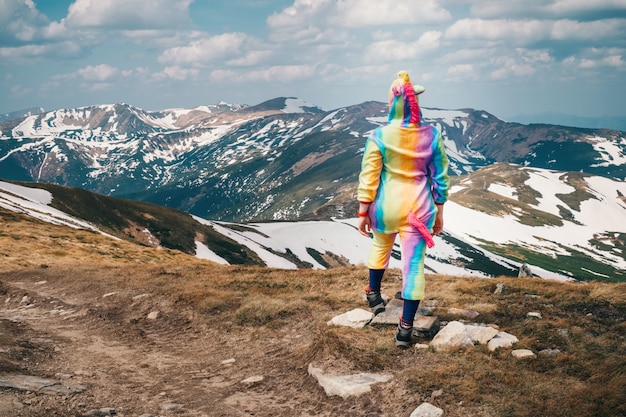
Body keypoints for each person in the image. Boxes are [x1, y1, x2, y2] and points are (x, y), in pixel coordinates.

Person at [357, 70, 449, 348]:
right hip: (419, 209)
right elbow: (440, 177)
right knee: (413, 268)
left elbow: (370, 174)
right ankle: (404, 330)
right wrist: (440, 211)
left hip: (385, 207)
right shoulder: (432, 135)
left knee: (380, 247)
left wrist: (363, 211)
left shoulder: (379, 135)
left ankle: (373, 293)